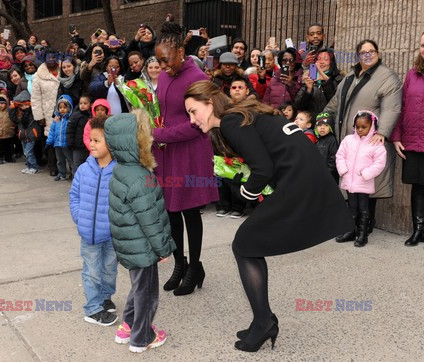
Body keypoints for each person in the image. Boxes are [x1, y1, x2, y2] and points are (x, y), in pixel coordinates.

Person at [183, 80, 353, 352]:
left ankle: (264, 323)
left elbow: (262, 169)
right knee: (249, 245)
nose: (192, 120)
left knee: (244, 245)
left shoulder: (230, 121)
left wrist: (245, 193)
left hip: (299, 180)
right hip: (303, 176)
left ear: (209, 103)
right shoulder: (241, 113)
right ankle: (263, 320)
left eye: (193, 111)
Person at [154, 22, 219, 296]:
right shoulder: (166, 75)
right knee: (171, 212)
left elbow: (198, 123)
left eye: (165, 60)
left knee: (190, 211)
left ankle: (195, 267)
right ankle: (179, 264)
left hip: (190, 151)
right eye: (157, 61)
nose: (161, 66)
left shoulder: (197, 77)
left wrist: (160, 133)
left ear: (181, 51)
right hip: (167, 150)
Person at [105, 110, 176, 353]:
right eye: (146, 135)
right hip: (144, 246)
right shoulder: (140, 177)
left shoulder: (122, 170)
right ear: (136, 142)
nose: (151, 139)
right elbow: (150, 219)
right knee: (147, 294)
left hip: (131, 244)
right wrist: (163, 248)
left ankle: (127, 325)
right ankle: (142, 337)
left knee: (139, 287)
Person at [323, 39, 402, 233]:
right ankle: (353, 225)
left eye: (371, 51)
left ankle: (365, 225)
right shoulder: (350, 76)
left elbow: (392, 107)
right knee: (352, 183)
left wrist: (382, 131)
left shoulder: (387, 77)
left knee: (368, 185)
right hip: (350, 141)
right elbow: (335, 102)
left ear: (378, 53)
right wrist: (324, 118)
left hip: (370, 141)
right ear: (358, 55)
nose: (367, 54)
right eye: (363, 51)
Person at [69, 116, 119, 328]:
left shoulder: (118, 171)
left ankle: (105, 298)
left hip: (111, 234)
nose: (91, 144)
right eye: (91, 140)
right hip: (88, 234)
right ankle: (93, 309)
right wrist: (80, 218)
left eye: (97, 141)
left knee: (109, 269)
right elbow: (74, 196)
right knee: (92, 272)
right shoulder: (83, 170)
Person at [390, 31, 424, 246]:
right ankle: (418, 229)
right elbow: (401, 107)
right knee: (418, 187)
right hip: (413, 140)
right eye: (422, 45)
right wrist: (396, 136)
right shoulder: (413, 74)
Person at [335, 111, 387, 247]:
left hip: (364, 182)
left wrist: (366, 174)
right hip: (349, 181)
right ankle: (351, 231)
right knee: (352, 208)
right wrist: (343, 170)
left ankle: (363, 234)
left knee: (363, 209)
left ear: (372, 126)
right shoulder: (348, 140)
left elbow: (379, 163)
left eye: (364, 127)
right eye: (357, 127)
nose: (359, 130)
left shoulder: (376, 143)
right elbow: (340, 155)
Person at [32, 48, 61, 176]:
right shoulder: (39, 75)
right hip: (48, 112)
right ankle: (53, 167)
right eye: (48, 57)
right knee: (50, 139)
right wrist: (39, 116)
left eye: (53, 57)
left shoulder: (64, 69)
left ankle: (66, 167)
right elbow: (36, 98)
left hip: (64, 110)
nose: (51, 59)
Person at [295, 48, 343, 115]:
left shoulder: (339, 79)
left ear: (331, 62)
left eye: (325, 59)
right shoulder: (309, 78)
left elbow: (337, 103)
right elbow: (299, 105)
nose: (322, 62)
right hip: (311, 122)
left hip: (329, 121)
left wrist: (327, 81)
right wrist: (308, 90)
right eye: (319, 59)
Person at [9, 90, 41, 174]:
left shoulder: (33, 113)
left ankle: (34, 167)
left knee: (29, 152)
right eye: (21, 105)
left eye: (26, 104)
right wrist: (12, 107)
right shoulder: (19, 114)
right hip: (23, 136)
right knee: (26, 153)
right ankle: (29, 166)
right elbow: (12, 117)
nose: (23, 106)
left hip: (31, 136)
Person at [45, 95, 74, 181]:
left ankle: (74, 174)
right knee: (60, 160)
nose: (62, 109)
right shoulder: (56, 120)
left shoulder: (70, 119)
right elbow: (52, 132)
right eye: (60, 107)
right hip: (57, 144)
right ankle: (62, 174)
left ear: (69, 107)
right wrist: (49, 142)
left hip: (66, 144)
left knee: (70, 160)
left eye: (64, 107)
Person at [67, 94, 92, 175]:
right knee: (77, 164)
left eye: (85, 103)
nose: (82, 105)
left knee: (87, 164)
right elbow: (70, 130)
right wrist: (70, 143)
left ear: (90, 104)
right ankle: (76, 181)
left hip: (87, 146)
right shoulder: (75, 115)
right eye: (81, 103)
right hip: (77, 146)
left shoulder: (91, 116)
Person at [0, 94, 15, 164]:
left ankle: (8, 157)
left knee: (8, 147)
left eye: (2, 103)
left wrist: (12, 129)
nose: (0, 105)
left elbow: (13, 121)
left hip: (8, 133)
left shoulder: (9, 112)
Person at [314, 112, 339, 182]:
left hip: (329, 176)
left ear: (330, 127)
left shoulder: (332, 140)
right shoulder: (317, 140)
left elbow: (334, 157)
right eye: (319, 125)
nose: (322, 128)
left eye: (326, 125)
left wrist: (327, 171)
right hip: (319, 173)